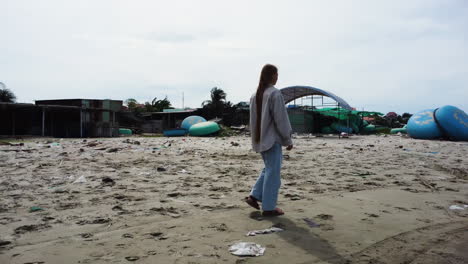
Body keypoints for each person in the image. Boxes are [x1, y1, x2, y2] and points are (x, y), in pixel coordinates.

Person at [245, 64, 293, 216]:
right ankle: (269, 207)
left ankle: (254, 196)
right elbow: (281, 119)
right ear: (272, 76)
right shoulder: (274, 94)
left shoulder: (255, 95)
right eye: (276, 74)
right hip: (272, 139)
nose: (277, 77)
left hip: (260, 139)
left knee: (269, 169)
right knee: (273, 173)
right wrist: (287, 138)